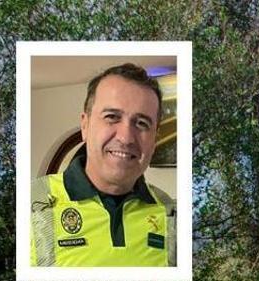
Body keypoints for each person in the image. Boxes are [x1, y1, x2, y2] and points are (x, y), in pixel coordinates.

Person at [31, 63, 176, 267]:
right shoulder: (29, 202)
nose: (126, 138)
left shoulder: (171, 213)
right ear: (85, 125)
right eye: (112, 117)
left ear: (154, 139)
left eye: (142, 123)